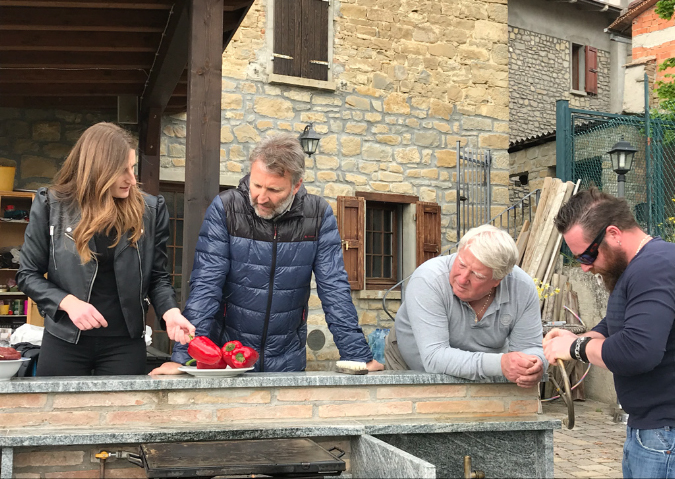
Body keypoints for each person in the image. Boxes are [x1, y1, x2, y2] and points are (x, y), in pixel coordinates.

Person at [151, 135, 383, 373]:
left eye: (273, 190)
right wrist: (183, 359)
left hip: (287, 360)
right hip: (226, 359)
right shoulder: (226, 208)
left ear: (296, 185)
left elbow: (334, 288)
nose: (261, 198)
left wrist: (357, 356)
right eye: (256, 185)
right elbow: (206, 286)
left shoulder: (318, 215)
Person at [17, 122, 195, 376]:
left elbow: (158, 277)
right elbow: (28, 275)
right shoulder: (51, 205)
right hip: (64, 340)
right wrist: (68, 303)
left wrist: (170, 311)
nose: (132, 179)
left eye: (132, 167)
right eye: (122, 170)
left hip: (125, 344)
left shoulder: (151, 210)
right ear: (97, 170)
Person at [543, 188, 675, 479]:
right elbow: (618, 322)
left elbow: (638, 351)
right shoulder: (638, 267)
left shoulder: (652, 268)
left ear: (614, 233)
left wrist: (575, 349)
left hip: (665, 436)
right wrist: (579, 338)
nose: (584, 267)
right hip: (652, 431)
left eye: (587, 254)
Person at [385, 224, 546, 388]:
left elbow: (530, 347)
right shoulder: (428, 279)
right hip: (412, 366)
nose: (462, 279)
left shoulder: (521, 288)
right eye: (461, 264)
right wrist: (499, 364)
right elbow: (434, 358)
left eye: (477, 275)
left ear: (498, 280)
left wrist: (533, 365)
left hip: (484, 375)